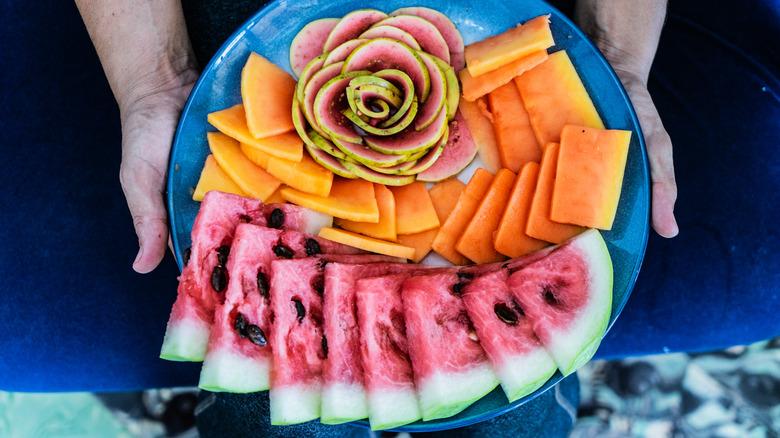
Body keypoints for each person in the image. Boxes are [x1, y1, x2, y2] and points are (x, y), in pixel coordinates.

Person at [0, 0, 775, 436]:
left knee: (508, 417)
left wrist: (620, 59)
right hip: (247, 37)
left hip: (517, 29)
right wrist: (155, 81)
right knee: (279, 416)